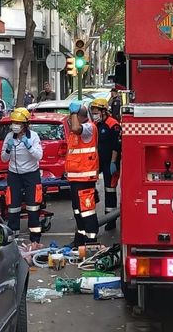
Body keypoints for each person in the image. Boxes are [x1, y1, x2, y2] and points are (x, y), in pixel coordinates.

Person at [1, 107, 44, 244]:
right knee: (13, 207)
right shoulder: (9, 137)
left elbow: (39, 156)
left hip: (31, 174)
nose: (15, 126)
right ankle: (14, 238)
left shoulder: (34, 136)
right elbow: (3, 158)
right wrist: (8, 149)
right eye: (14, 122)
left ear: (25, 125)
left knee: (33, 207)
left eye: (18, 123)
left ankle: (35, 239)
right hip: (14, 175)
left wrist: (29, 146)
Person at [66, 100, 99, 245]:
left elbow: (74, 127)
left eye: (72, 115)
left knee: (87, 211)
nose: (69, 117)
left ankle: (91, 241)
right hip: (76, 179)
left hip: (85, 179)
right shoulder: (77, 133)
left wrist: (74, 112)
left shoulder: (88, 129)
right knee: (78, 211)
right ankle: (79, 241)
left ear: (79, 116)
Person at [90, 98, 122, 231]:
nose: (94, 114)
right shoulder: (95, 124)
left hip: (110, 162)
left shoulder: (113, 124)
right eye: (93, 111)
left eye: (96, 111)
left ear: (103, 111)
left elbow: (117, 145)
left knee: (110, 189)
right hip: (98, 162)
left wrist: (113, 162)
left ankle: (111, 219)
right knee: (91, 187)